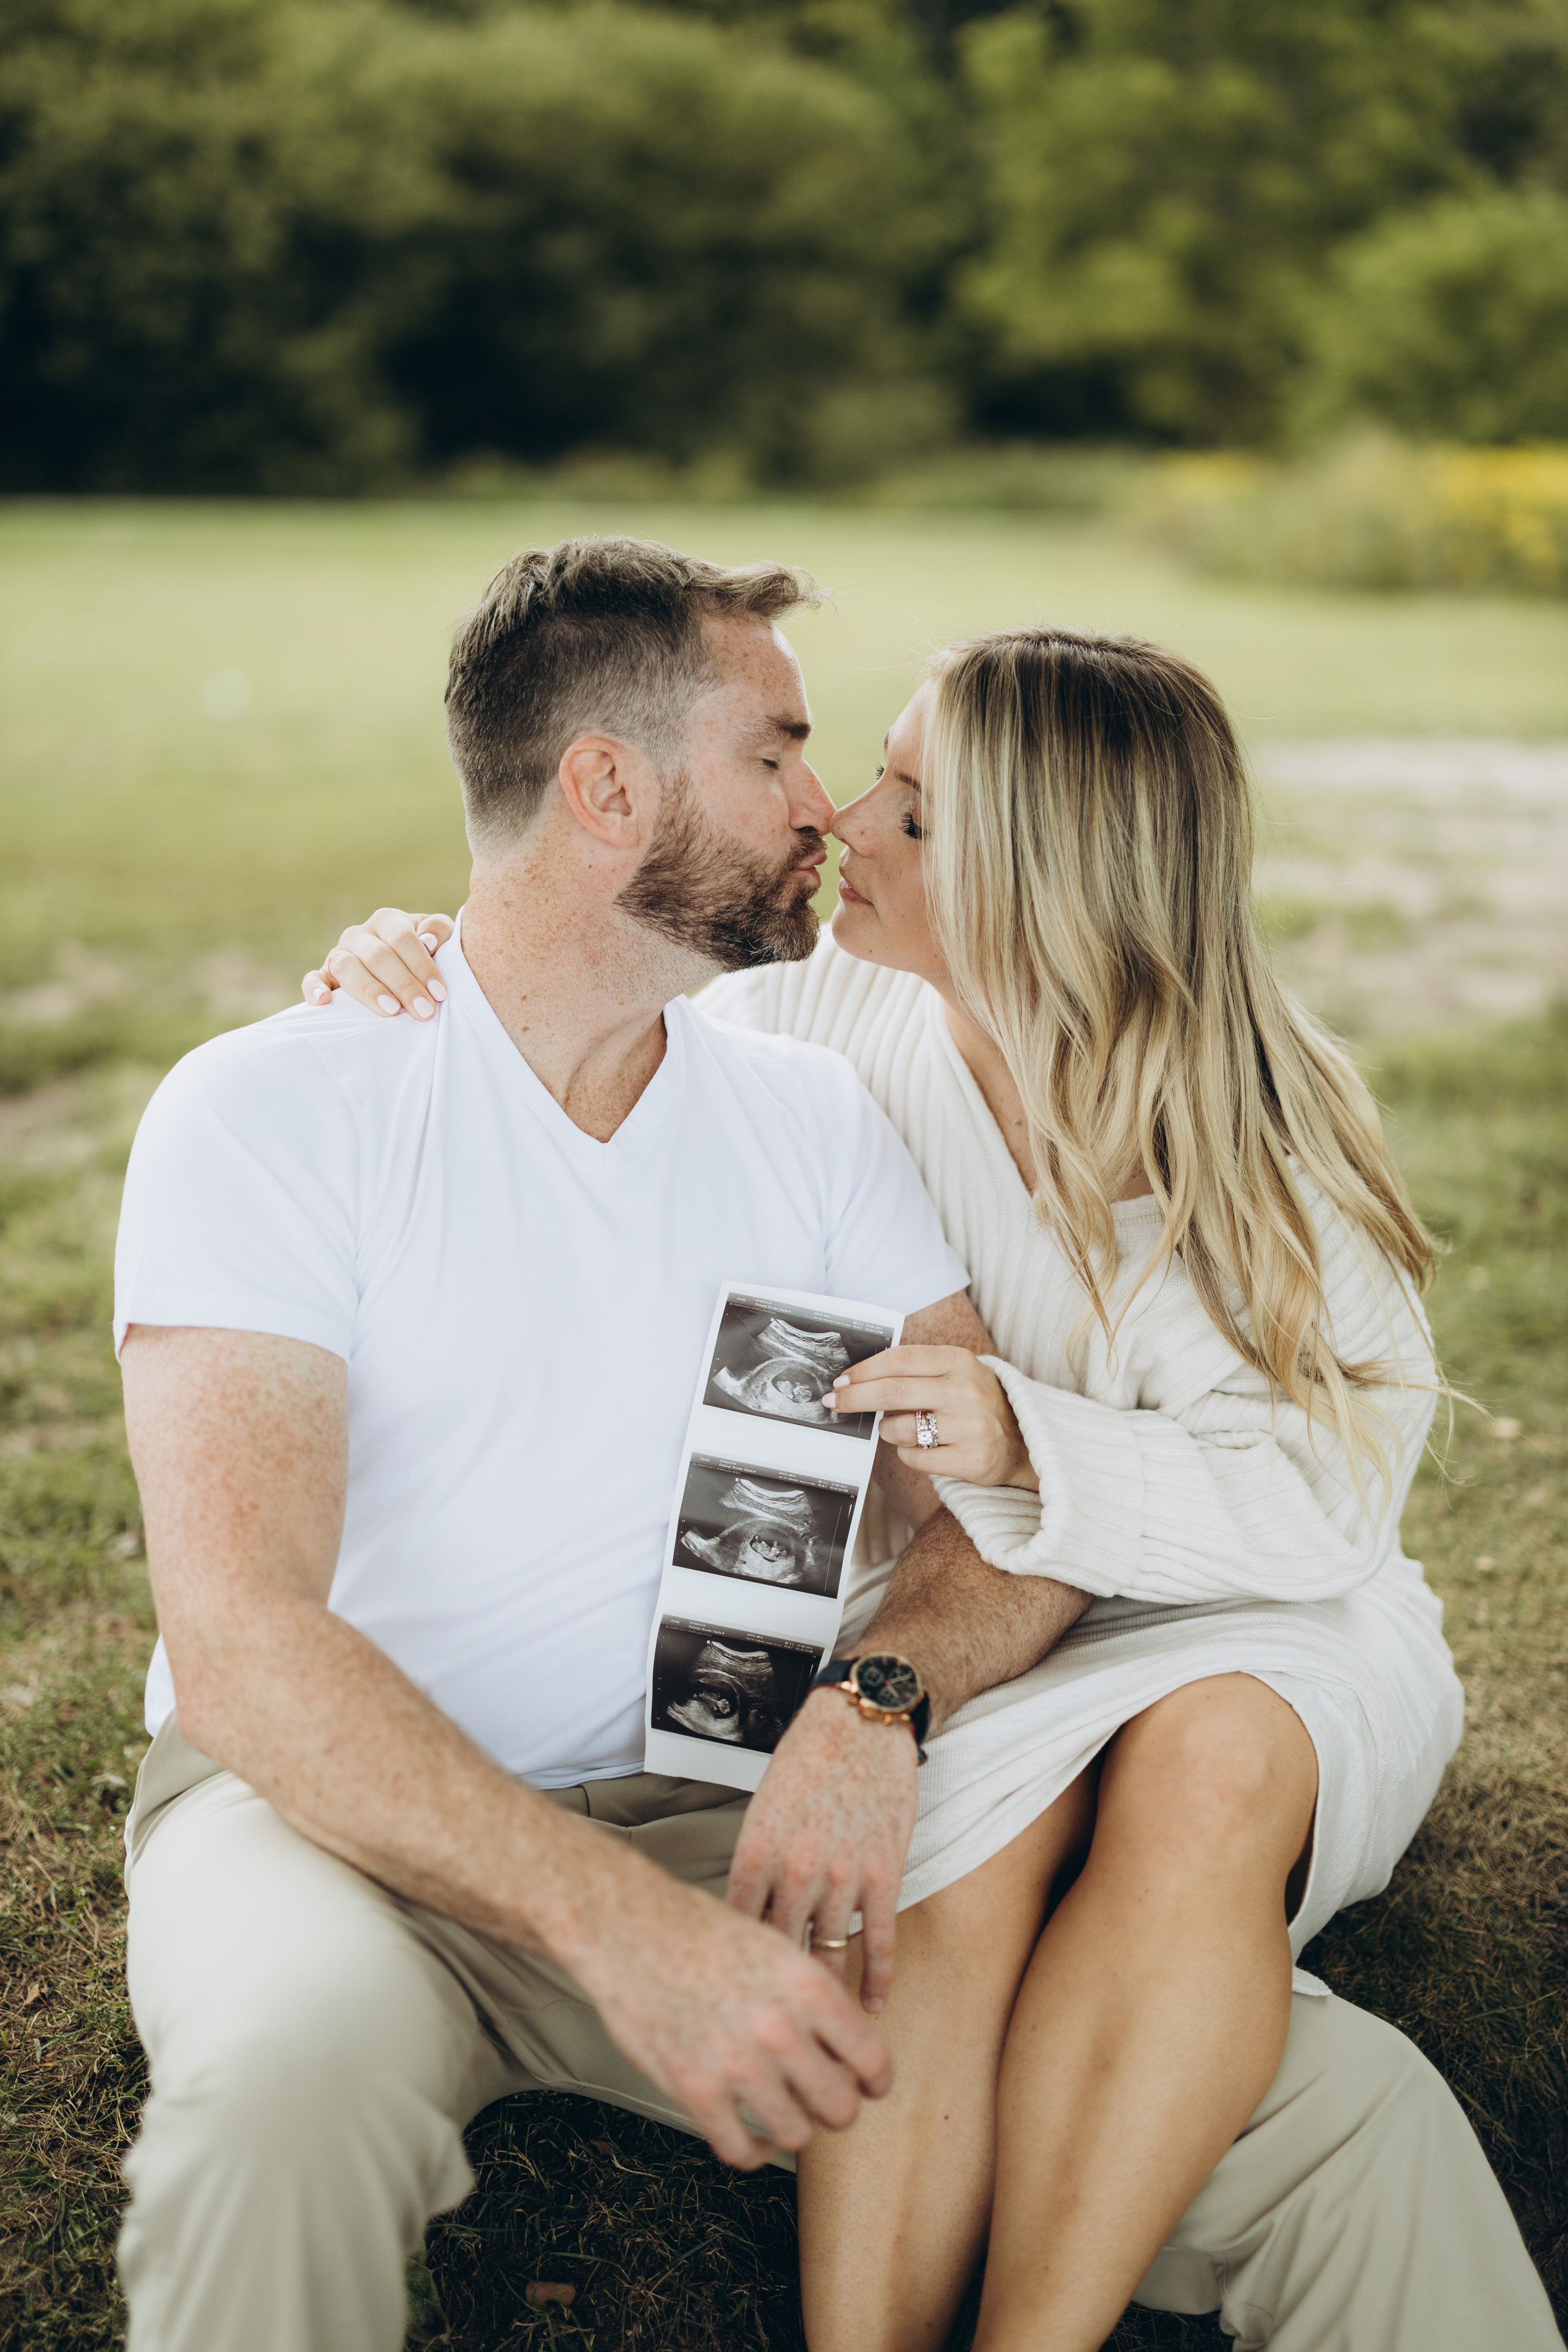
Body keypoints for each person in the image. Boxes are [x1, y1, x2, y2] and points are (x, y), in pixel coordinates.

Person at [318, 578, 1564, 2352]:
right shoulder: (829, 1017)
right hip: (986, 1610)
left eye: (911, 804)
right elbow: (589, 1032)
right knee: (952, 1854)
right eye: (865, 776)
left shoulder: (1256, 1130)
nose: (840, 817)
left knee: (1199, 1768)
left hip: (1268, 1615)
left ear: (1043, 872)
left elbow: (1326, 1502)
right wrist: (415, 967)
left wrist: (1034, 1439)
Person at [113, 537, 1023, 2352]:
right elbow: (243, 1643)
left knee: (1301, 2117)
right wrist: (627, 1934)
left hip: (715, 1818)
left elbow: (986, 1510)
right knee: (282, 2097)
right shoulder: (274, 1106)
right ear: (604, 786)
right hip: (322, 1830)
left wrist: (879, 1697)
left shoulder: (814, 1116)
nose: (821, 803)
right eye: (773, 753)